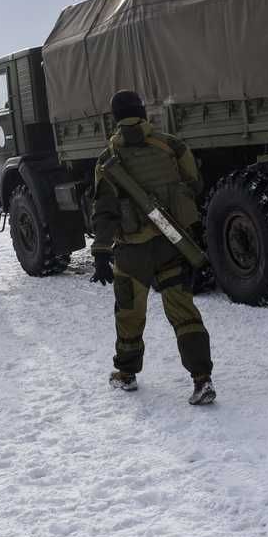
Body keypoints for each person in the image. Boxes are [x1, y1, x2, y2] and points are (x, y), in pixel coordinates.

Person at [89, 90, 216, 405]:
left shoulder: (108, 159)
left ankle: (127, 374)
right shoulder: (171, 145)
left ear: (115, 118)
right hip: (172, 243)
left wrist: (101, 252)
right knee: (184, 311)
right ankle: (202, 379)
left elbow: (104, 210)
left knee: (130, 312)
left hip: (131, 252)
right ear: (143, 113)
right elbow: (195, 183)